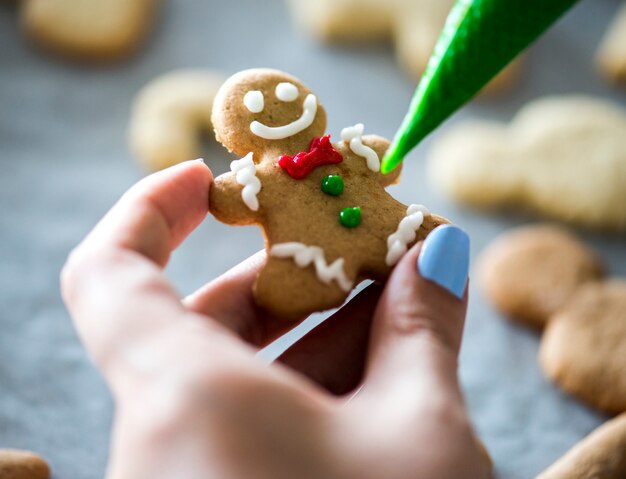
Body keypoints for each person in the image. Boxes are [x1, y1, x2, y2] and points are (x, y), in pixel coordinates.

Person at [61, 160, 491, 479]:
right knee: (290, 285)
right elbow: (230, 196)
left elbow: (380, 158)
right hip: (307, 260)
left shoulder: (348, 156)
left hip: (386, 233)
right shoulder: (268, 174)